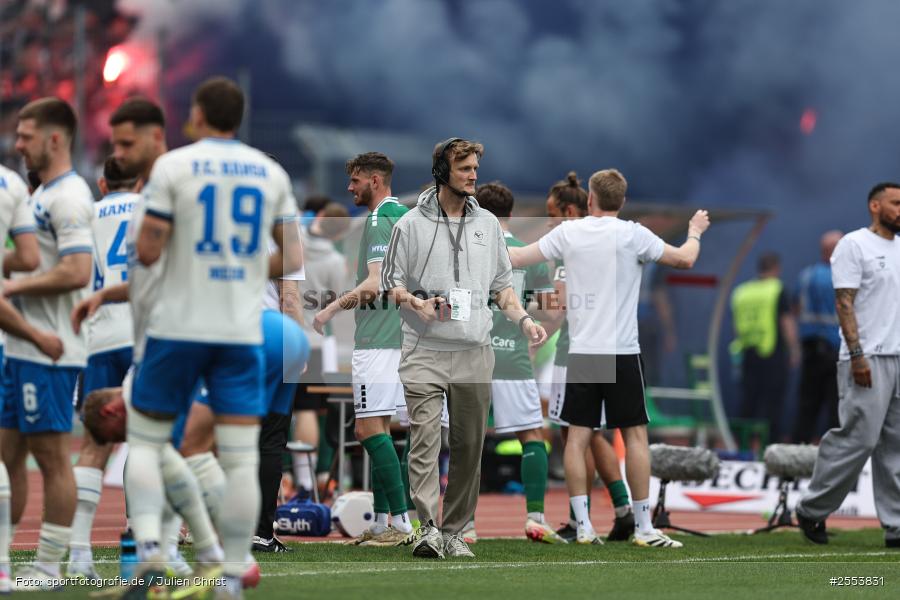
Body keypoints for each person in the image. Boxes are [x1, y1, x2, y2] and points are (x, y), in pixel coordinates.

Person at [128, 76, 301, 597]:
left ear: (199, 114)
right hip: (239, 329)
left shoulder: (173, 165)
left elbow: (149, 250)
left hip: (179, 324)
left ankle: (152, 553)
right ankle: (232, 573)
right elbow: (290, 259)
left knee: (146, 440)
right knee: (243, 455)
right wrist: (245, 265)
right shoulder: (271, 172)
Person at [510, 168, 710, 548]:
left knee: (577, 439)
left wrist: (476, 239)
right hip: (622, 352)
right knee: (634, 436)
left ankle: (583, 526)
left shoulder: (569, 232)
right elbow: (685, 259)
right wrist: (696, 230)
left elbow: (517, 256)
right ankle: (643, 527)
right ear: (623, 200)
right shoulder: (633, 234)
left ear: (589, 200)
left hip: (583, 352)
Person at [381, 138, 547, 559]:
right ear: (441, 171)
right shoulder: (409, 224)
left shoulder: (488, 224)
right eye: (464, 168)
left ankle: (455, 531)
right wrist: (416, 302)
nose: (473, 174)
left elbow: (503, 287)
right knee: (425, 439)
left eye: (475, 167)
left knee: (470, 445)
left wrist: (525, 320)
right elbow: (391, 283)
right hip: (423, 349)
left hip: (475, 349)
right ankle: (428, 528)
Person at [2, 97, 93, 588]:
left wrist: (14, 287)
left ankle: (49, 567)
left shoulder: (71, 197)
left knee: (53, 457)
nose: (17, 144)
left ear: (54, 139)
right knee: (6, 456)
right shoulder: (39, 195)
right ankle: (4, 556)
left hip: (50, 350)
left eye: (26, 135)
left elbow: (77, 270)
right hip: (19, 348)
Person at [314, 152, 414, 546]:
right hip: (403, 337)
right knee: (387, 427)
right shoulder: (405, 217)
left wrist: (329, 310)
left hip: (377, 338)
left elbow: (374, 284)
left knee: (369, 427)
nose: (349, 188)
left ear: (374, 180)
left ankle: (402, 524)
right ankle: (383, 521)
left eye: (355, 181)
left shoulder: (377, 220)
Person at [796, 182, 900, 547]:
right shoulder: (854, 245)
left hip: (899, 357)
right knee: (860, 438)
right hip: (866, 357)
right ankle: (812, 509)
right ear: (875, 206)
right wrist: (856, 354)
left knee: (897, 444)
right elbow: (845, 303)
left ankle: (897, 526)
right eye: (896, 203)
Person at [542, 173, 634, 543]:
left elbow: (559, 306)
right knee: (594, 433)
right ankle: (624, 509)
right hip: (609, 345)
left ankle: (581, 518)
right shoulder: (607, 238)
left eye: (551, 215)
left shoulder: (571, 242)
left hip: (576, 349)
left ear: (568, 211)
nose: (550, 223)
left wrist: (523, 301)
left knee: (574, 434)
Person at [476, 181, 566, 544]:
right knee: (532, 434)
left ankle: (460, 524)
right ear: (511, 214)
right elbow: (554, 314)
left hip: (471, 357)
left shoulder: (467, 251)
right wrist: (527, 329)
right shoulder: (531, 255)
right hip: (513, 355)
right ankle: (535, 517)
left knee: (457, 440)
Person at [66, 156, 139, 580]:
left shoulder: (87, 213)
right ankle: (144, 541)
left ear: (102, 182)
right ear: (139, 179)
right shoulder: (151, 208)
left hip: (98, 338)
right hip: (145, 334)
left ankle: (78, 553)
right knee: (150, 439)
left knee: (94, 443)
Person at [0, 162, 63, 593]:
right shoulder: (11, 185)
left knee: (29, 455)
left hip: (29, 343)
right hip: (24, 342)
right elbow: (27, 258)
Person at [292, 200, 349, 498]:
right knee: (307, 410)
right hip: (314, 339)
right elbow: (333, 304)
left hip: (284, 332)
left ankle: (294, 481)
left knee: (275, 412)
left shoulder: (294, 240)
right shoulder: (335, 262)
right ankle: (306, 481)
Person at [730, 252, 801, 442]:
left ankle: (739, 444)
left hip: (748, 352)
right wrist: (794, 349)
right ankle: (771, 447)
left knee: (748, 402)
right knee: (773, 404)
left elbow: (736, 327)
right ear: (776, 268)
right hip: (772, 353)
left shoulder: (742, 291)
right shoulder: (776, 289)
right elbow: (786, 322)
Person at [791, 230, 843, 443]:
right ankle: (834, 458)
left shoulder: (806, 275)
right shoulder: (843, 276)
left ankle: (796, 456)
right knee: (836, 408)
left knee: (807, 406)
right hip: (836, 349)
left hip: (810, 348)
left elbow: (795, 308)